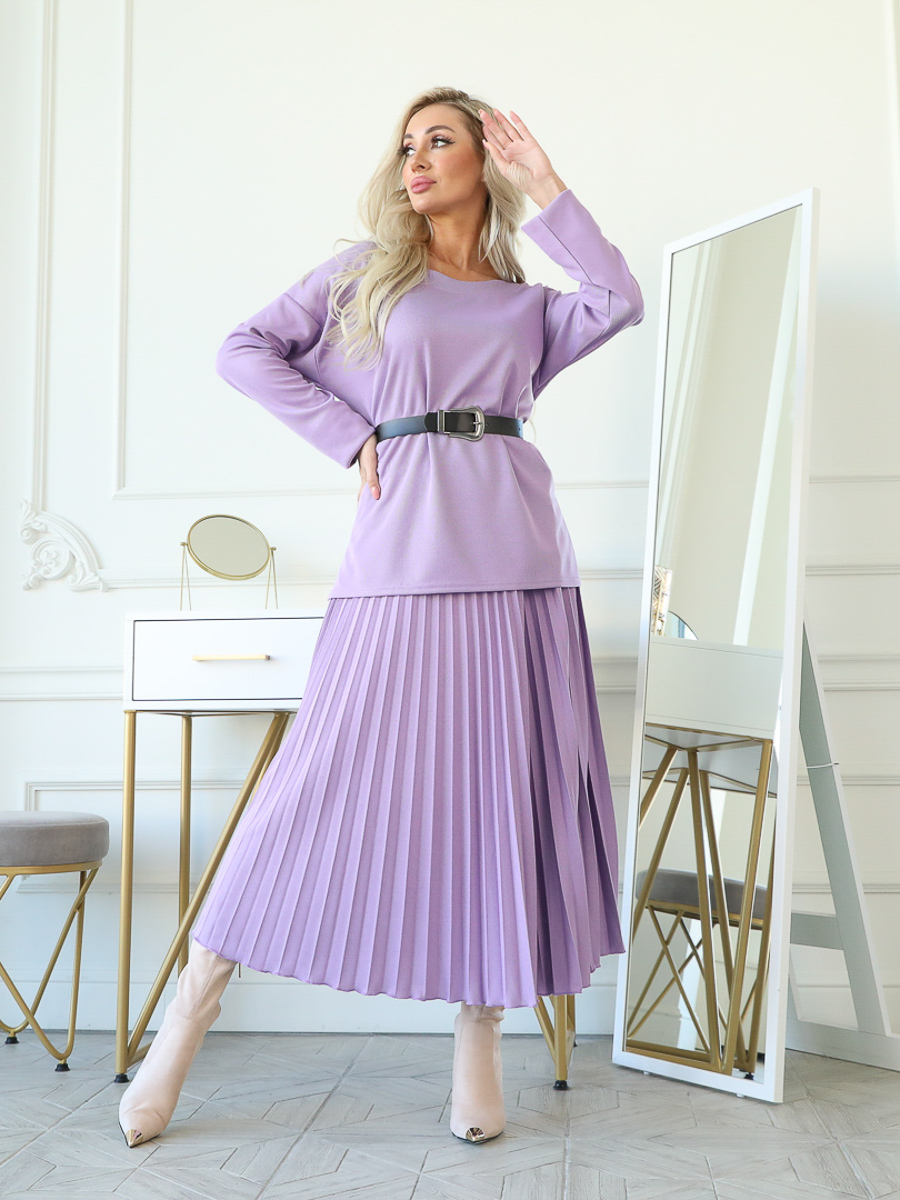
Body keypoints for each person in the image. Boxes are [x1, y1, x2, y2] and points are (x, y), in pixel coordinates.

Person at [118, 85, 643, 1149]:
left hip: (521, 565)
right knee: (304, 792)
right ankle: (187, 1019)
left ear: (483, 161)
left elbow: (619, 296)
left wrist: (547, 183)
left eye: (440, 141)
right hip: (399, 559)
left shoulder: (528, 305)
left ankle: (479, 1038)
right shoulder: (363, 275)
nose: (417, 159)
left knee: (500, 803)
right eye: (407, 144)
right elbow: (243, 347)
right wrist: (350, 435)